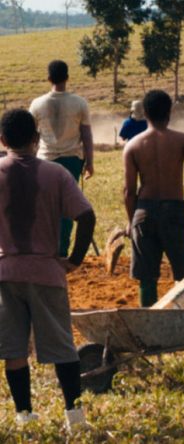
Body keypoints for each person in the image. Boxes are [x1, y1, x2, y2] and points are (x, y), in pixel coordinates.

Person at [0, 109, 95, 430]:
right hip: (47, 272)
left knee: (13, 348)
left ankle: (24, 416)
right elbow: (86, 216)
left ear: (1, 141)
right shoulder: (55, 174)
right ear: (36, 140)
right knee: (62, 345)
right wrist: (75, 260)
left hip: (7, 273)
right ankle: (74, 416)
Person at [123, 90, 184, 307]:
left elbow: (128, 191)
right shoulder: (183, 141)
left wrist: (130, 222)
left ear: (144, 113)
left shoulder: (133, 145)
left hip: (144, 213)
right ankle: (183, 318)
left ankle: (148, 317)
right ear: (169, 112)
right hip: (173, 211)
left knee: (147, 277)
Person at [29, 60, 94, 257]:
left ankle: (43, 247)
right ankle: (62, 250)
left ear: (48, 78)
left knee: (44, 204)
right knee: (67, 207)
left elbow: (31, 136)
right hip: (72, 160)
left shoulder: (37, 104)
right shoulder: (79, 103)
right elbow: (87, 135)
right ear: (67, 77)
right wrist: (90, 162)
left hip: (45, 160)